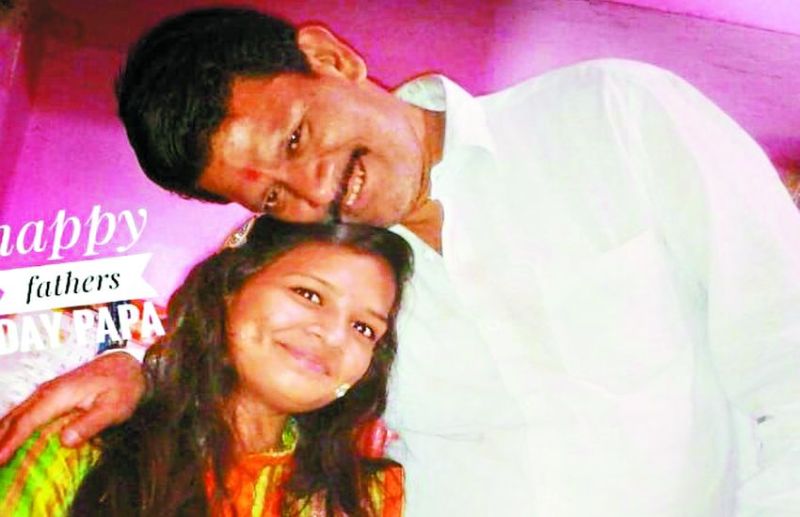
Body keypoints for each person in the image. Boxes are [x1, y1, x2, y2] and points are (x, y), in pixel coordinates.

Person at [2, 6, 800, 515]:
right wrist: (140, 375)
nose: (315, 189)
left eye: (295, 138)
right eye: (274, 195)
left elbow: (787, 358)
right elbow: (247, 365)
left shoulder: (608, 117)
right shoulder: (335, 282)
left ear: (330, 58)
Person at [0, 217, 412, 516]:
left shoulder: (362, 498)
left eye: (364, 327)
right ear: (232, 287)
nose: (334, 335)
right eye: (309, 294)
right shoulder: (87, 438)